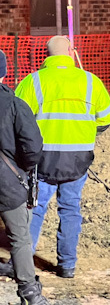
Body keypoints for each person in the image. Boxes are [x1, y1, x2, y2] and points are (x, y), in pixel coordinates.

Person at [14, 36, 110, 279]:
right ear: (71, 51)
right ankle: (67, 266)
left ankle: (25, 264)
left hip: (43, 160)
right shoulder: (90, 81)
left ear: (46, 55)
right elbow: (107, 118)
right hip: (78, 160)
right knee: (70, 209)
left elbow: (17, 118)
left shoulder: (34, 81)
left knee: (35, 209)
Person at [0, 50, 50, 304]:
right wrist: (23, 169)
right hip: (8, 183)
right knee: (19, 238)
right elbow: (32, 146)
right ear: (4, 73)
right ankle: (29, 293)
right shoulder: (16, 104)